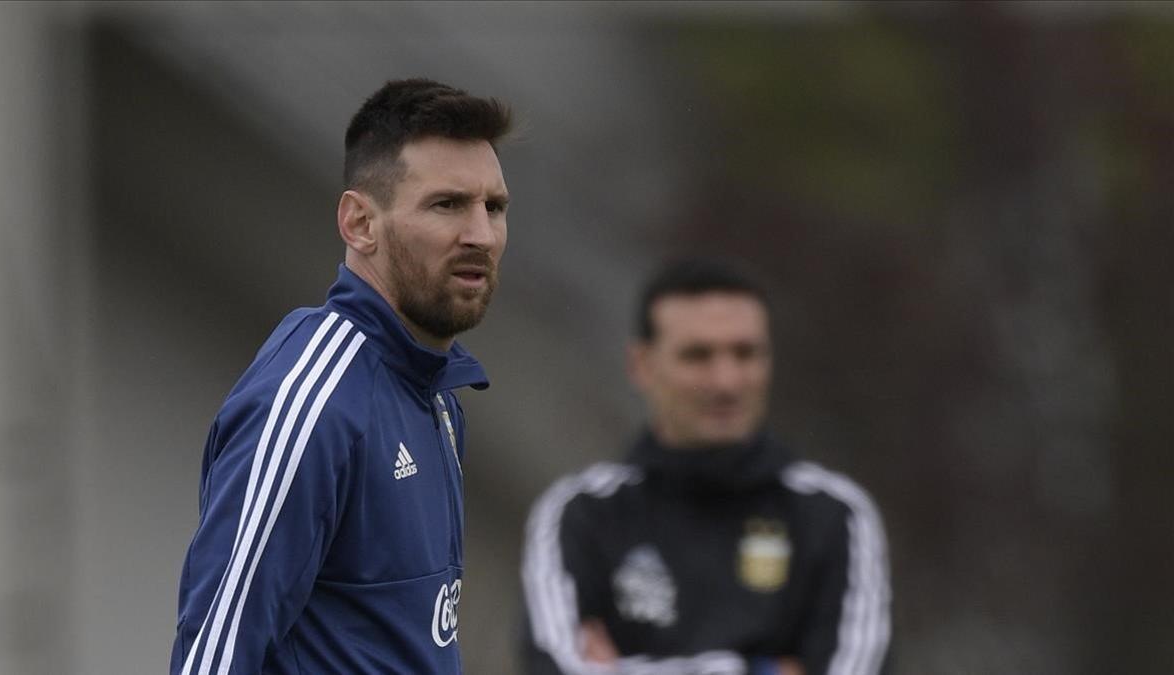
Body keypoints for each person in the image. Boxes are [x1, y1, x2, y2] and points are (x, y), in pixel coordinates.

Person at [170, 78, 512, 675]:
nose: (480, 235)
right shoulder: (314, 400)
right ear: (359, 224)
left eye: (494, 208)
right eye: (447, 204)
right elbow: (214, 659)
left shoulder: (435, 392)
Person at [520, 259, 891, 675]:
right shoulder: (580, 514)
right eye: (698, 356)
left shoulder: (836, 517)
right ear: (641, 365)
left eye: (745, 353)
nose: (726, 381)